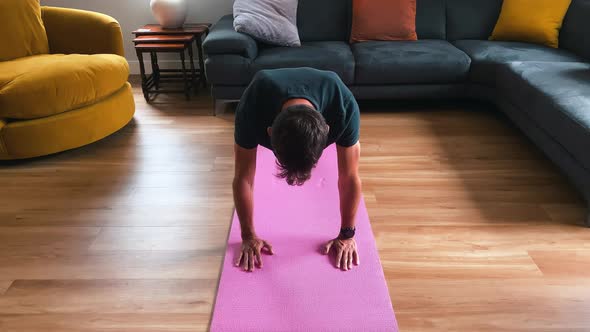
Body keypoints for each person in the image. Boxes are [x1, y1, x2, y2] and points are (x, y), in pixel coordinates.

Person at [233, 67, 361, 272]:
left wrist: (348, 234)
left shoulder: (343, 107)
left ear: (328, 131)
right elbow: (243, 178)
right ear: (269, 132)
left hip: (331, 96)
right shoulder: (251, 108)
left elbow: (349, 177)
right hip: (264, 98)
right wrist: (248, 236)